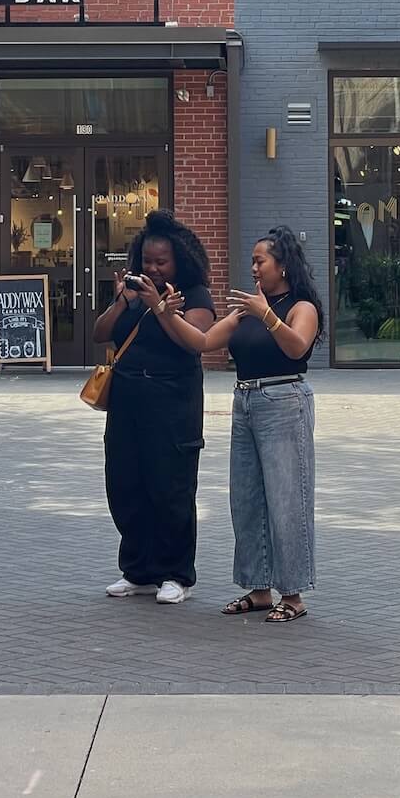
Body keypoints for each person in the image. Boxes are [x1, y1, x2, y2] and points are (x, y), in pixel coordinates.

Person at [157, 225, 322, 624]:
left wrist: (266, 315)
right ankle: (259, 589)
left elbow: (297, 347)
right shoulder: (245, 309)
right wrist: (166, 315)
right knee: (246, 498)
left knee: (286, 499)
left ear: (283, 266)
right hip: (245, 400)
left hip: (284, 400)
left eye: (260, 261)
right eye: (252, 261)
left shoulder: (301, 307)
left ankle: (293, 595)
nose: (253, 268)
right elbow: (202, 341)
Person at [91, 210, 216, 605]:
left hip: (173, 402)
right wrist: (121, 302)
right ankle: (138, 571)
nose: (153, 268)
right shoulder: (133, 290)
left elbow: (195, 340)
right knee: (125, 483)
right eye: (147, 260)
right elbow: (100, 333)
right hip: (128, 399)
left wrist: (161, 308)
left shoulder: (194, 294)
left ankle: (176, 574)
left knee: (170, 488)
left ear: (179, 260)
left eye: (162, 262)